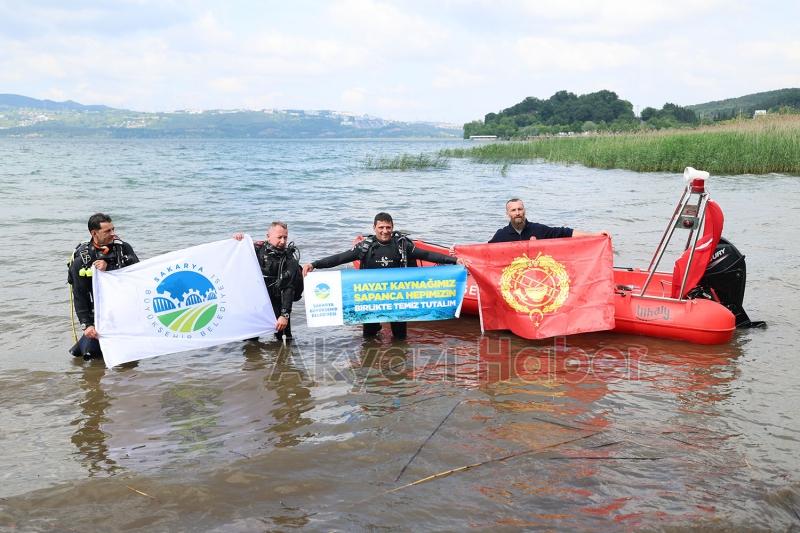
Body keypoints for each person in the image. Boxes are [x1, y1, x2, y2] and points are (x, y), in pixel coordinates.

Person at [302, 212, 468, 340]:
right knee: (369, 337)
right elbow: (340, 258)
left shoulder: (401, 245)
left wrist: (454, 260)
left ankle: (399, 366)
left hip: (397, 298)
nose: (385, 231)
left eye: (388, 227)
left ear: (392, 227)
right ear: (374, 228)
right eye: (381, 227)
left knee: (400, 337)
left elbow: (427, 255)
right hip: (370, 298)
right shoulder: (366, 247)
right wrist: (314, 264)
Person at [68, 213, 139, 360]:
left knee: (129, 358)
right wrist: (86, 325)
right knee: (90, 356)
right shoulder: (82, 260)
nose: (113, 233)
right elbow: (79, 295)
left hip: (125, 310)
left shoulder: (124, 248)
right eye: (107, 231)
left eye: (113, 229)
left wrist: (110, 267)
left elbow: (138, 274)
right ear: (94, 233)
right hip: (99, 314)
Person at [233, 221, 303, 341]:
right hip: (256, 302)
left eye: (285, 237)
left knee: (285, 339)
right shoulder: (256, 249)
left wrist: (285, 315)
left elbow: (289, 289)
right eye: (279, 237)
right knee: (250, 342)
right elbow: (235, 254)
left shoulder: (289, 259)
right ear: (268, 236)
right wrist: (238, 239)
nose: (283, 241)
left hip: (278, 302)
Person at [489, 198, 609, 242]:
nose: (517, 213)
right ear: (507, 214)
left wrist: (595, 235)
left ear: (524, 211)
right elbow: (485, 253)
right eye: (513, 210)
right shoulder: (501, 235)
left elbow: (566, 233)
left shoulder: (538, 229)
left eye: (520, 209)